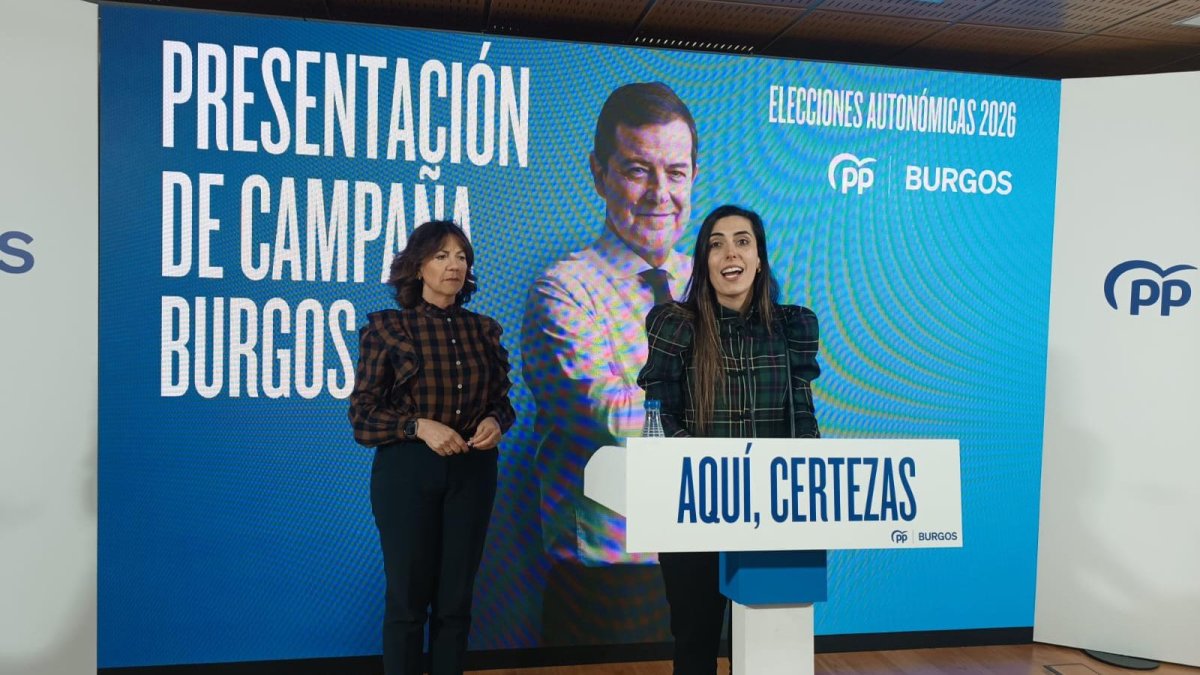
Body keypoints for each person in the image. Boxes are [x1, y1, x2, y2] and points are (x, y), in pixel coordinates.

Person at [521, 82, 699, 644]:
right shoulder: (563, 290)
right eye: (637, 170)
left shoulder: (722, 284)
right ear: (599, 174)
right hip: (614, 590)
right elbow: (615, 423)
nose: (658, 193)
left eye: (675, 172)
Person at [637, 204, 821, 675]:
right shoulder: (675, 323)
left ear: (759, 258)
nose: (729, 253)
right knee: (695, 641)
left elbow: (802, 421)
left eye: (742, 241)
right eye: (715, 244)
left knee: (766, 644)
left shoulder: (792, 326)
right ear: (703, 262)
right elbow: (661, 415)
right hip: (693, 509)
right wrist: (706, 472)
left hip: (772, 513)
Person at [349, 220, 516, 675]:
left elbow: (503, 402)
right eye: (442, 256)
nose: (454, 265)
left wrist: (494, 422)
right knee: (407, 601)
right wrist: (418, 426)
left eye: (461, 256)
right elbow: (361, 416)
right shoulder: (388, 329)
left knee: (456, 602)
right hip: (407, 474)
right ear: (417, 266)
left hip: (473, 473)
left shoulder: (485, 331)